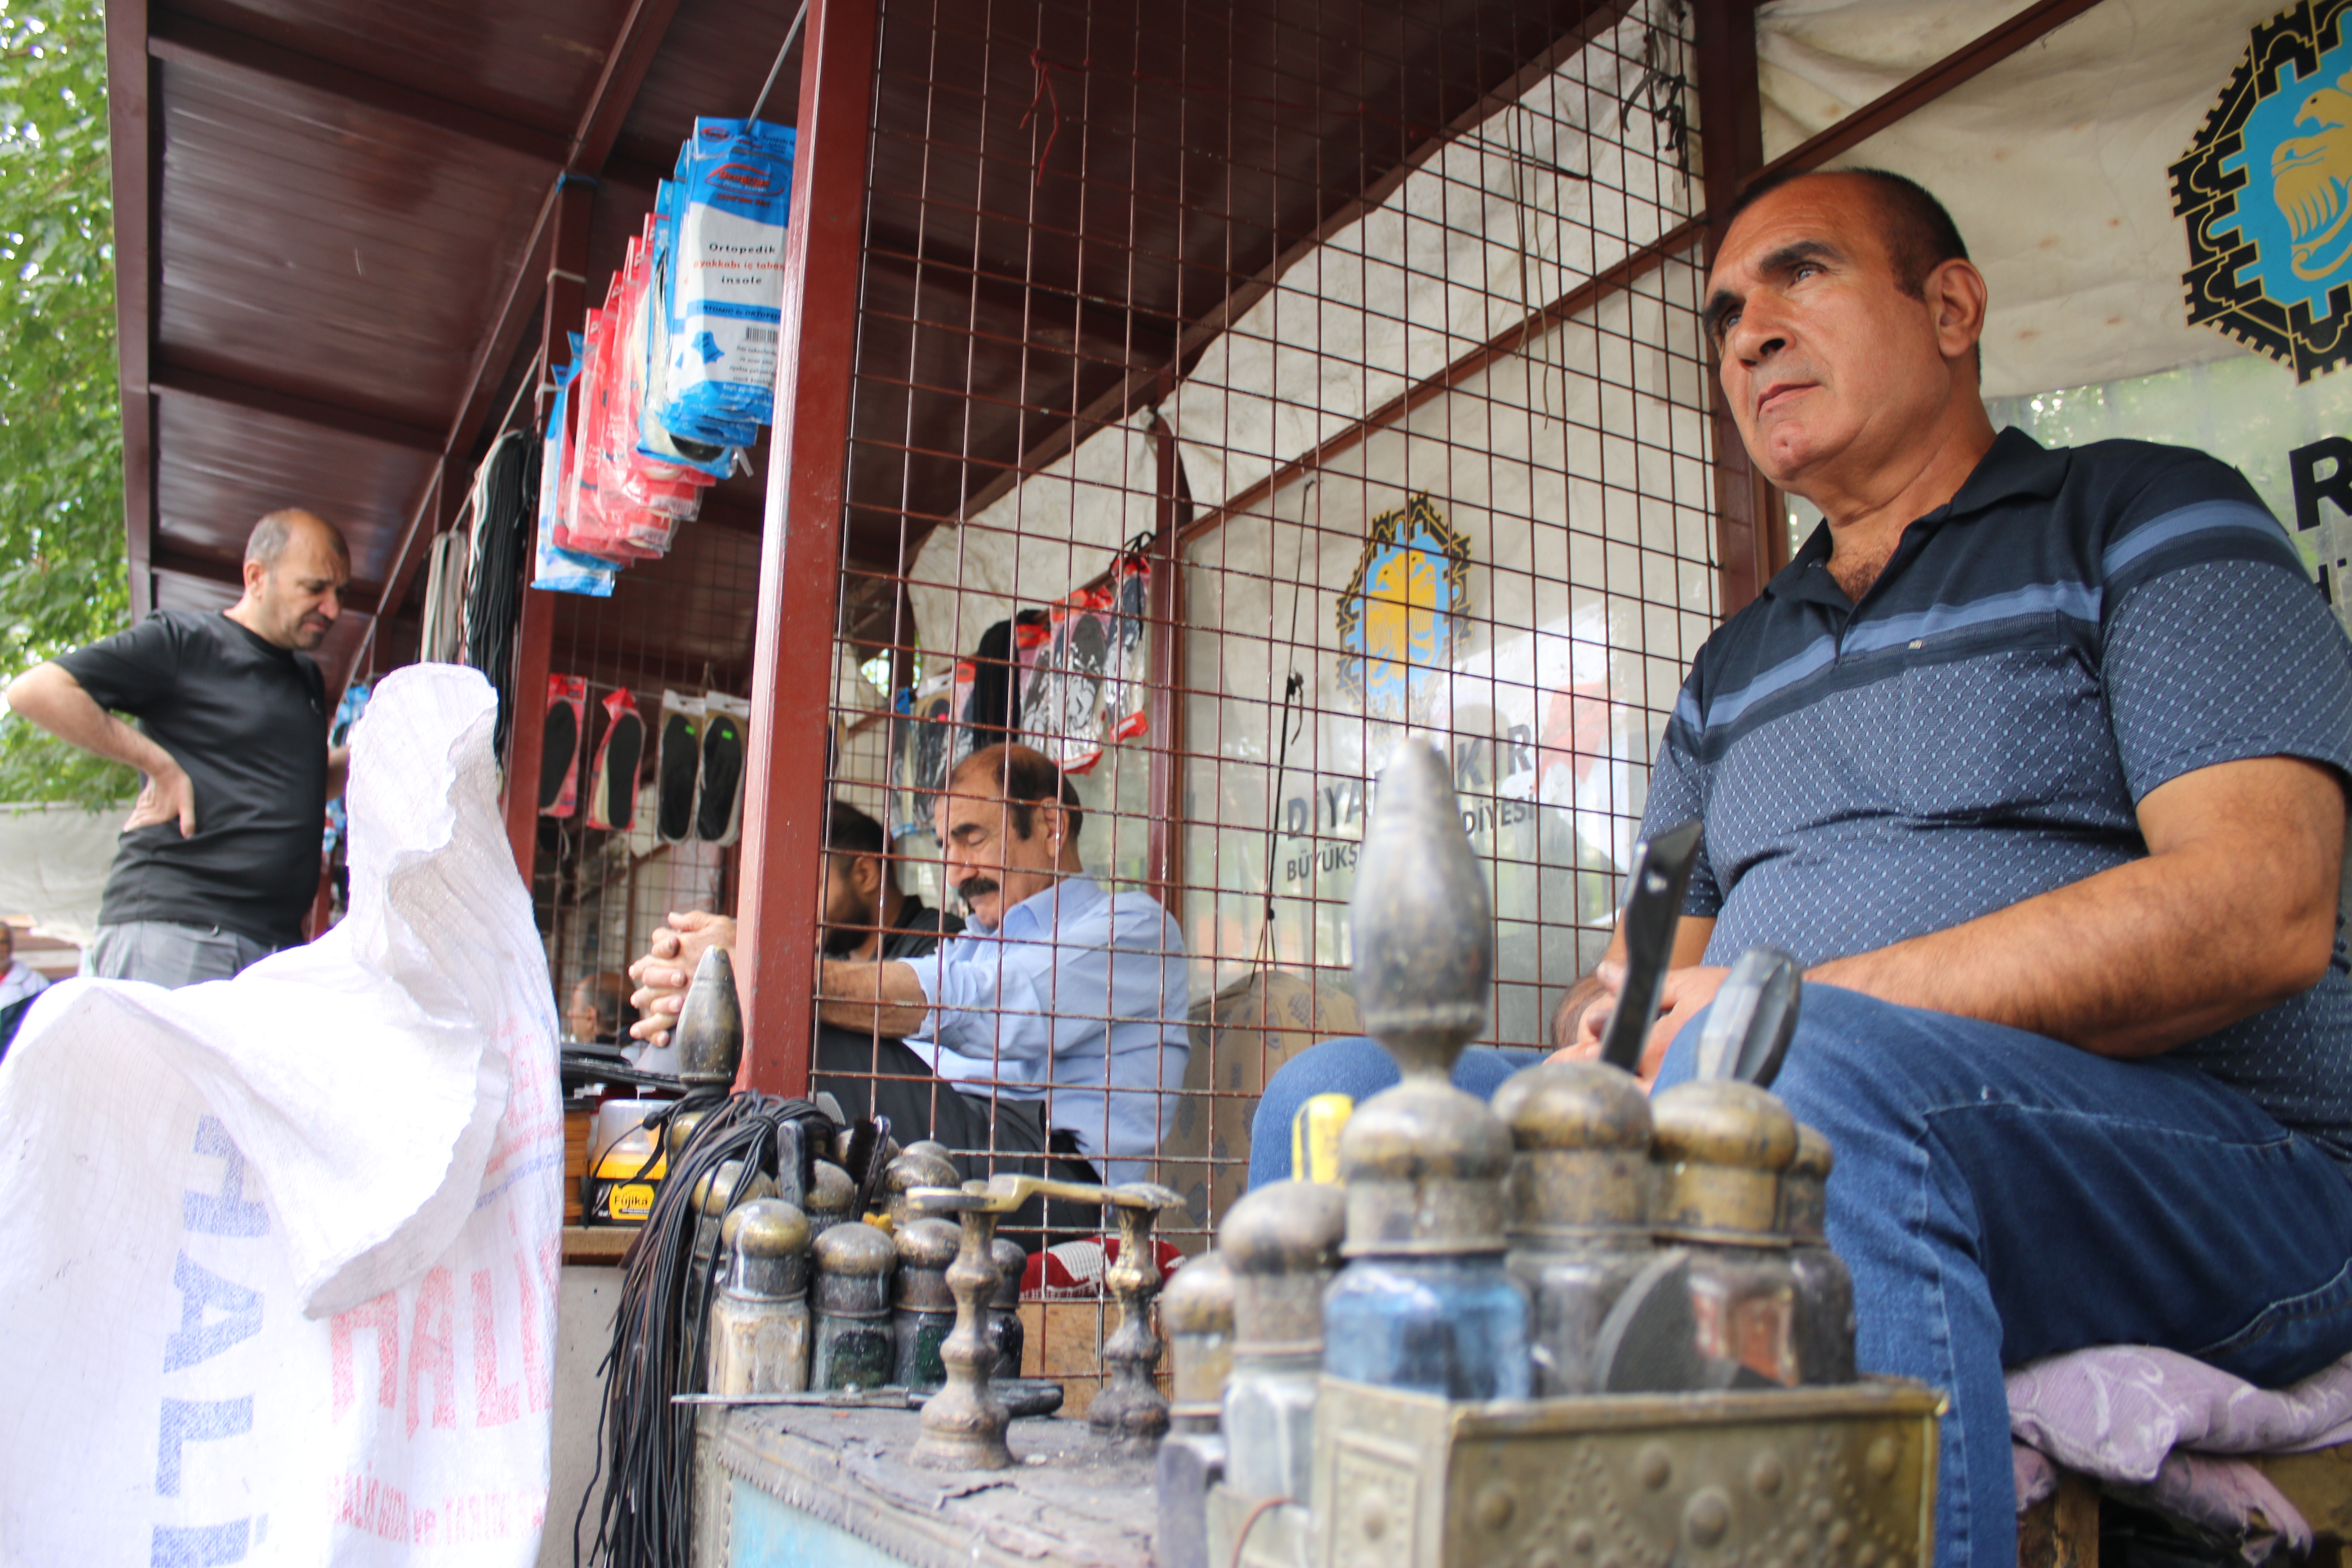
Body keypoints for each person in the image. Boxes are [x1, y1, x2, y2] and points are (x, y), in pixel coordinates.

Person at [1250, 168, 2352, 1568]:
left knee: (1807, 1087)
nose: (1749, 334)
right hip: (1791, 1103)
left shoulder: (2148, 516)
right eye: (1724, 315)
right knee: (1341, 1105)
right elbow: (1650, 969)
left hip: (2226, 1172)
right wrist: (1613, 1021)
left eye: (1802, 276)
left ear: (1951, 307)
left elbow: (2263, 907)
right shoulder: (1727, 674)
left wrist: (1787, 1015)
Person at [636, 747, 1190, 1186]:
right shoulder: (977, 942)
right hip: (959, 1140)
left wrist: (764, 972)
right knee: (726, 1009)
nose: (955, 873)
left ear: (1050, 826)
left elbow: (995, 1005)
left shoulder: (1134, 927)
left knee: (785, 1020)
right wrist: (708, 982)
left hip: (1053, 1177)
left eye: (971, 839)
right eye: (945, 847)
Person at [6, 510, 352, 986]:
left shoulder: (306, 678)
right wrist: (158, 764)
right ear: (256, 577)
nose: (332, 609)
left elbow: (310, 781)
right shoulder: (186, 643)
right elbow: (36, 691)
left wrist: (371, 749)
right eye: (315, 588)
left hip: (272, 951)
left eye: (340, 593)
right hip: (177, 931)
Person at [628, 798, 960, 1112]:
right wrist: (679, 987)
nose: (796, 909)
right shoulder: (835, 953)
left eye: (810, 886)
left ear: (865, 875)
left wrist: (747, 966)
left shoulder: (941, 942)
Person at [564, 970, 631, 1046]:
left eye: (574, 1005)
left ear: (590, 1016)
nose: (569, 1013)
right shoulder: (641, 1051)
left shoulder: (606, 1056)